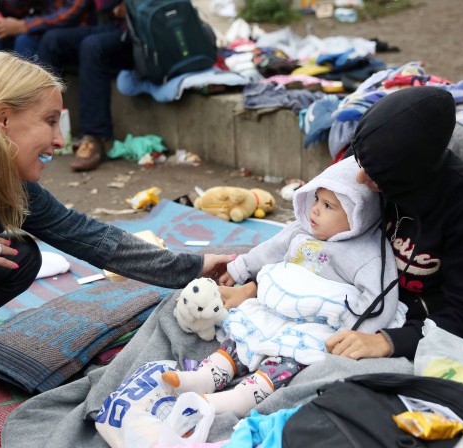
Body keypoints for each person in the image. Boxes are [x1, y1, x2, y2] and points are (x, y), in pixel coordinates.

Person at [0, 52, 232, 448]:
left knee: (18, 256)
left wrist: (197, 266)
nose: (60, 140)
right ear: (2, 119)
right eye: (50, 121)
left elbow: (87, 236)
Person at [222, 87, 463, 362]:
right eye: (360, 162)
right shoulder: (366, 160)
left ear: (409, 175)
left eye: (376, 175)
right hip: (331, 295)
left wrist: (386, 342)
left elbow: (461, 315)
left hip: (408, 322)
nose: (358, 179)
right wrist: (256, 286)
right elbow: (313, 240)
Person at [161, 157, 402, 416]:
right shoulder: (303, 229)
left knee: (289, 358)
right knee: (243, 334)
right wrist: (238, 268)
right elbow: (269, 250)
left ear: (359, 214)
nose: (315, 210)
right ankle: (206, 376)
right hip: (276, 307)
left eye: (328, 206)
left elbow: (381, 298)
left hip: (317, 321)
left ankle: (238, 398)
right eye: (316, 200)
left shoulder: (369, 254)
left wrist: (360, 333)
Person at [37, 0, 131, 172]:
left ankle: (95, 138)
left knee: (92, 46)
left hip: (134, 31)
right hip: (107, 25)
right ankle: (42, 127)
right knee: (51, 40)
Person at [0, 0, 93, 59]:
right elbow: (19, 8)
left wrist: (24, 25)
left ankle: (24, 97)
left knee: (24, 40)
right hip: (41, 27)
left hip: (73, 32)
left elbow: (71, 14)